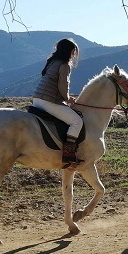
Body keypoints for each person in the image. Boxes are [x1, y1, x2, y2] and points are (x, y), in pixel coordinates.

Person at [32, 38, 83, 167]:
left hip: (37, 100)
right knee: (77, 121)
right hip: (49, 101)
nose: (73, 55)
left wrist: (65, 98)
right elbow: (63, 86)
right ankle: (68, 154)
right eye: (73, 52)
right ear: (69, 51)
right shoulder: (64, 65)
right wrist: (68, 99)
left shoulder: (52, 62)